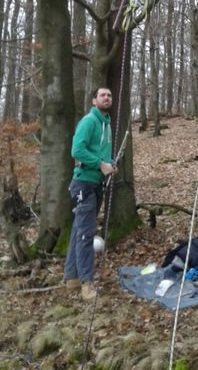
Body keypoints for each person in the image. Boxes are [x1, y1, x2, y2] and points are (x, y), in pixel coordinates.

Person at [63, 87, 117, 301]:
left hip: (96, 183)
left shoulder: (107, 124)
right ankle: (87, 284)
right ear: (94, 100)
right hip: (83, 183)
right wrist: (99, 164)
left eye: (109, 95)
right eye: (103, 95)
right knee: (86, 234)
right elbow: (76, 150)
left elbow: (101, 154)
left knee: (79, 229)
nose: (107, 98)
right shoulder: (89, 121)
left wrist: (110, 165)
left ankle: (71, 278)